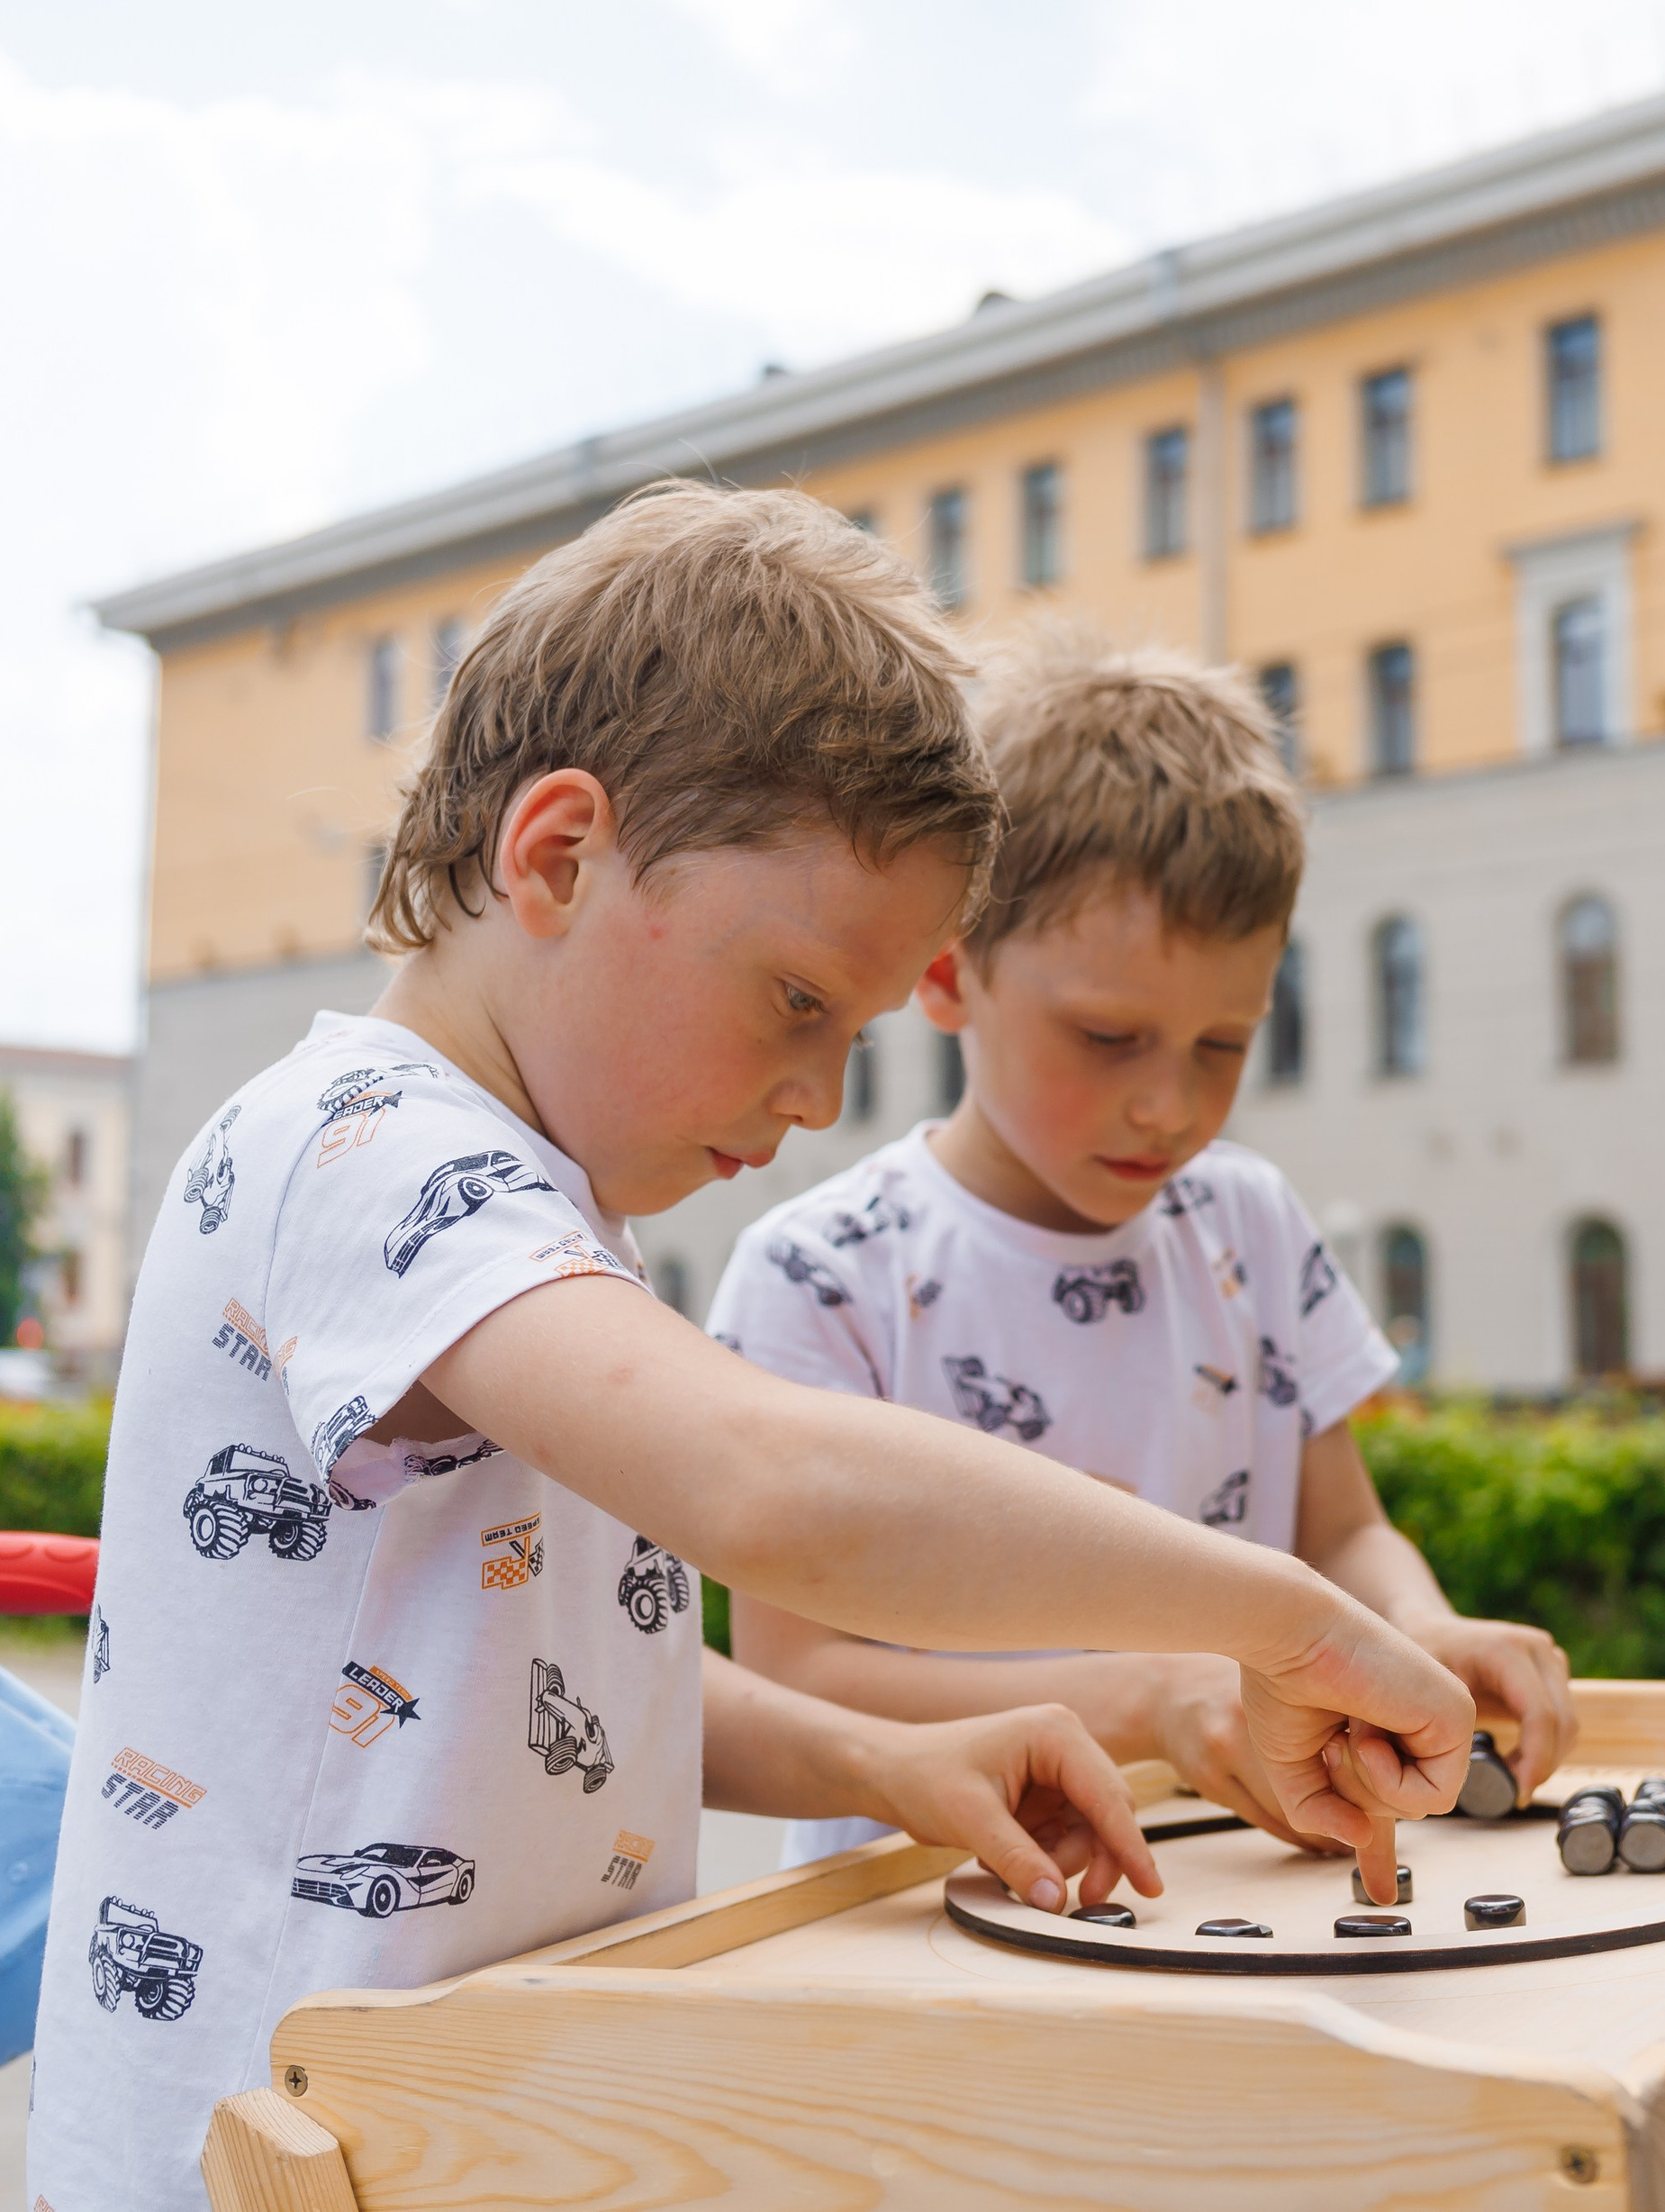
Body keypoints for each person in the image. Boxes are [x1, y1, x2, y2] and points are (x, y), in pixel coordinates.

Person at [30, 489, 1474, 2212]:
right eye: (799, 1001)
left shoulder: (523, 1204)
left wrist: (877, 1762)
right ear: (557, 855)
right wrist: (1288, 1615)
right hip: (274, 2156)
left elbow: (555, 1665)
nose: (821, 1100)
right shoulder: (369, 1152)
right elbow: (767, 1485)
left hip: (459, 2131)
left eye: (859, 1031)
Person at [711, 640, 1574, 1865]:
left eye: (1225, 1045)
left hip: (1243, 1884)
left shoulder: (1253, 1224)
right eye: (1110, 1038)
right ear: (951, 974)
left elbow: (1341, 1536)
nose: (1170, 1106)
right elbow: (799, 1673)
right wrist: (1150, 1701)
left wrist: (1418, 1626)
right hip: (923, 1926)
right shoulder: (824, 1274)